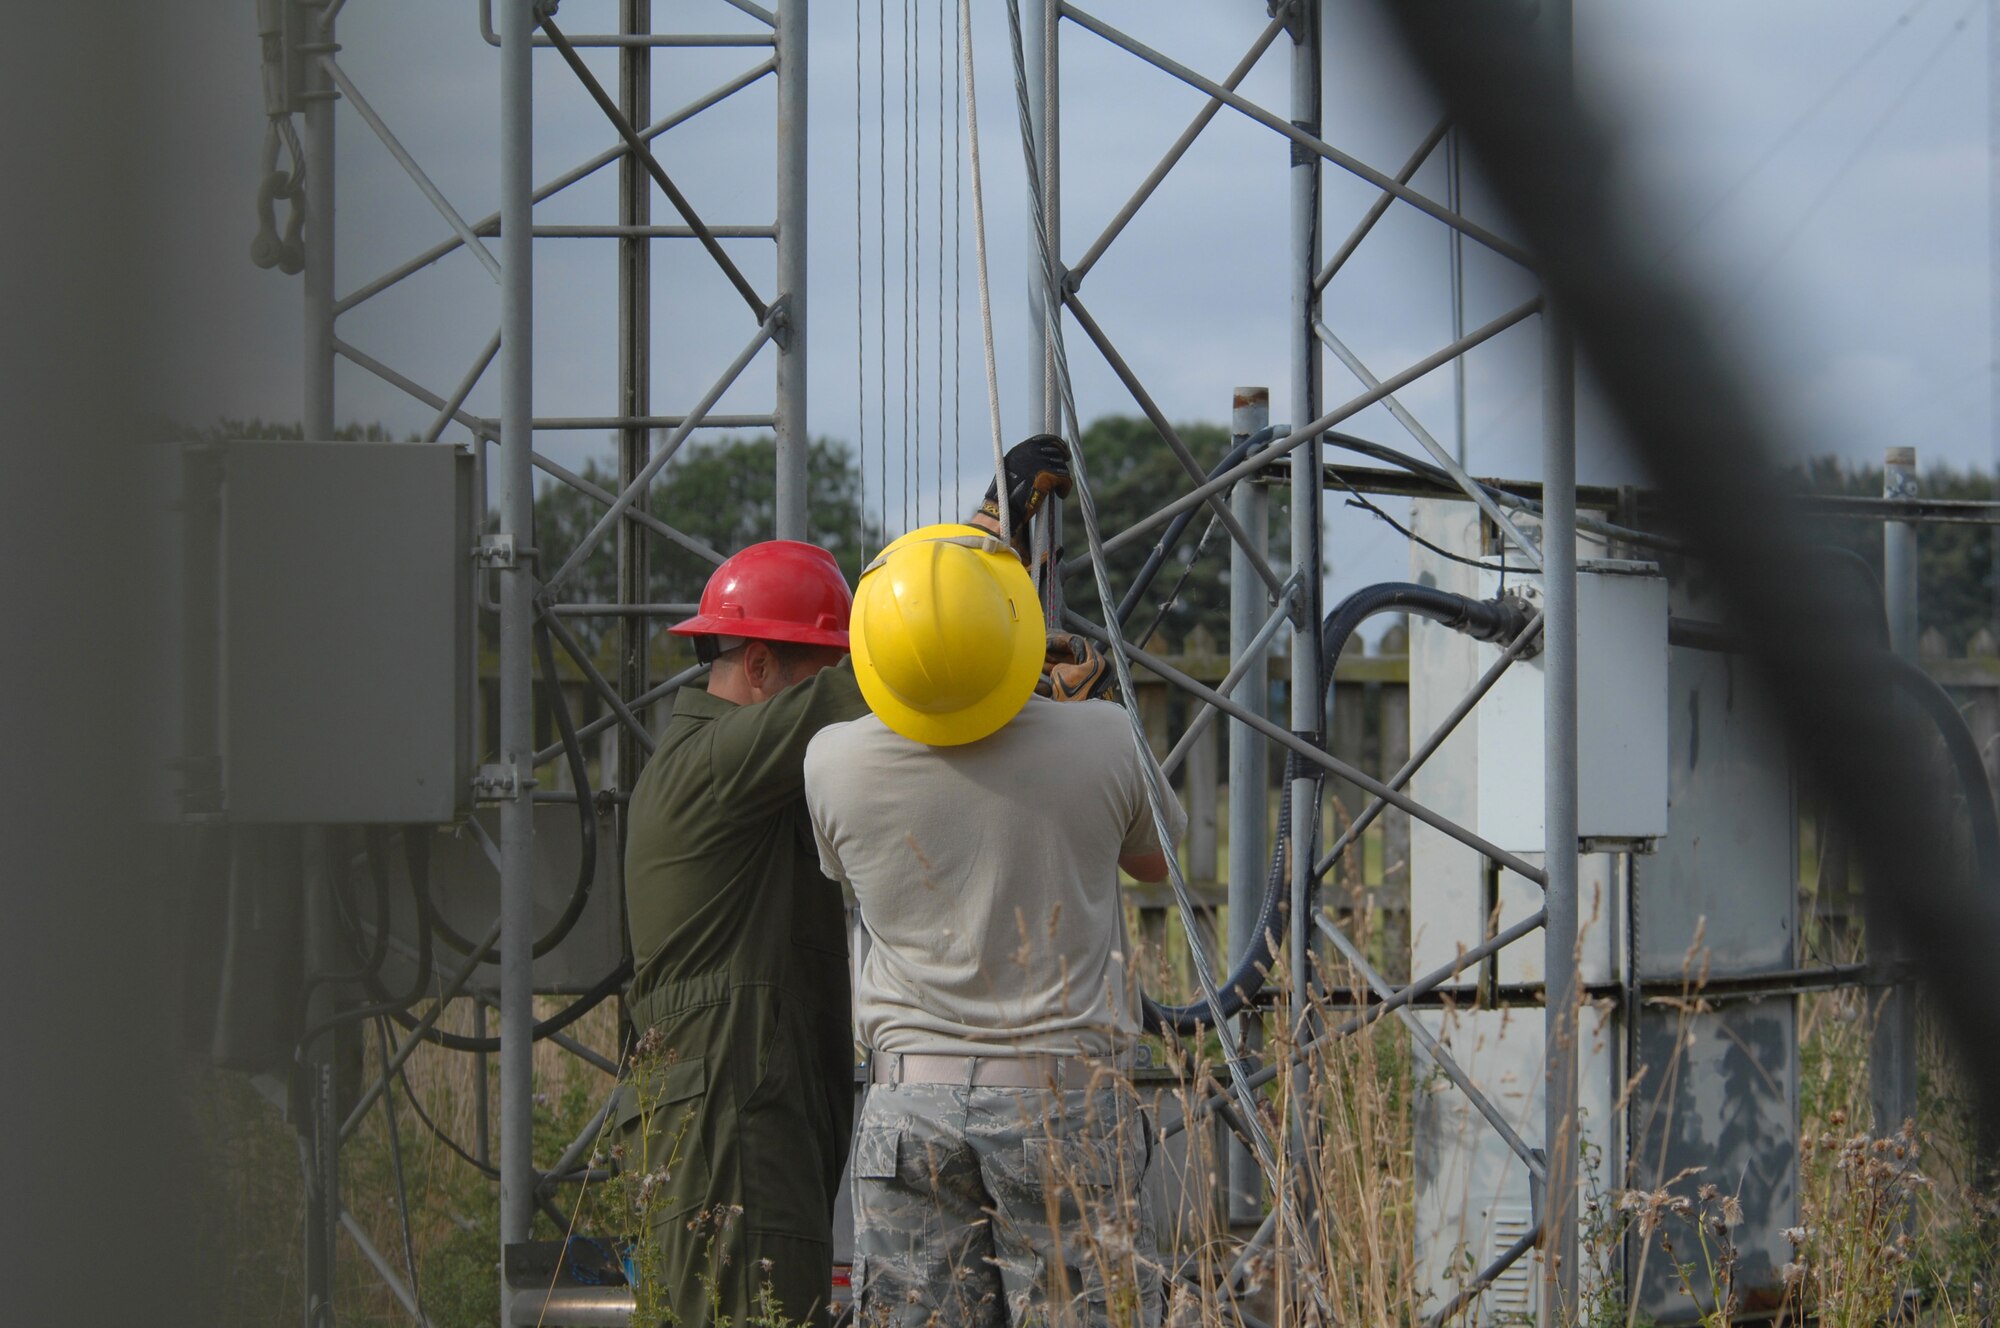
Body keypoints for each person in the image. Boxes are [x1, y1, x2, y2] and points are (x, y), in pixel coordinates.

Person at [616, 440, 1075, 1326]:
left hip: (744, 1110)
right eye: (819, 669)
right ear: (759, 668)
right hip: (731, 1131)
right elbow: (888, 671)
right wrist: (983, 543)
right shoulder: (712, 762)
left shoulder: (744, 775)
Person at [803, 521, 1181, 1328]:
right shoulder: (1105, 738)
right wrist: (1079, 706)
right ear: (1017, 635)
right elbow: (1158, 865)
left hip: (910, 1107)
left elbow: (857, 865)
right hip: (1065, 1102)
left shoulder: (831, 762)